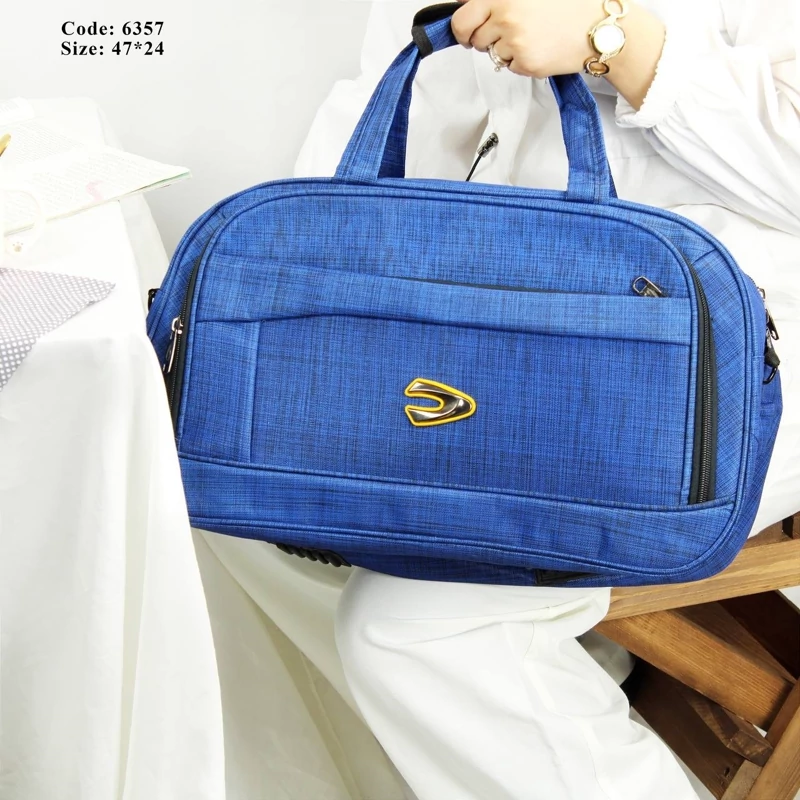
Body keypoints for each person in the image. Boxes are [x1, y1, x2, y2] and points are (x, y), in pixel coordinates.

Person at [289, 1, 800, 798]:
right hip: (524, 338)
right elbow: (409, 111)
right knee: (240, 482)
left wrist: (614, 40)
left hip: (730, 354)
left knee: (411, 624)